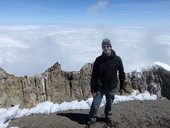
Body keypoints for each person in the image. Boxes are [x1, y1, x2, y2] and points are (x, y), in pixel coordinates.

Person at [86, 38, 125, 127]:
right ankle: (92, 119)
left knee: (109, 104)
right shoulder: (98, 60)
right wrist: (93, 89)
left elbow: (122, 74)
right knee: (95, 105)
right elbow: (94, 75)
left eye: (108, 46)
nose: (106, 48)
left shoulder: (117, 59)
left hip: (111, 87)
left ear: (111, 47)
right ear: (102, 48)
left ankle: (108, 117)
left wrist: (122, 87)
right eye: (104, 46)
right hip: (100, 87)